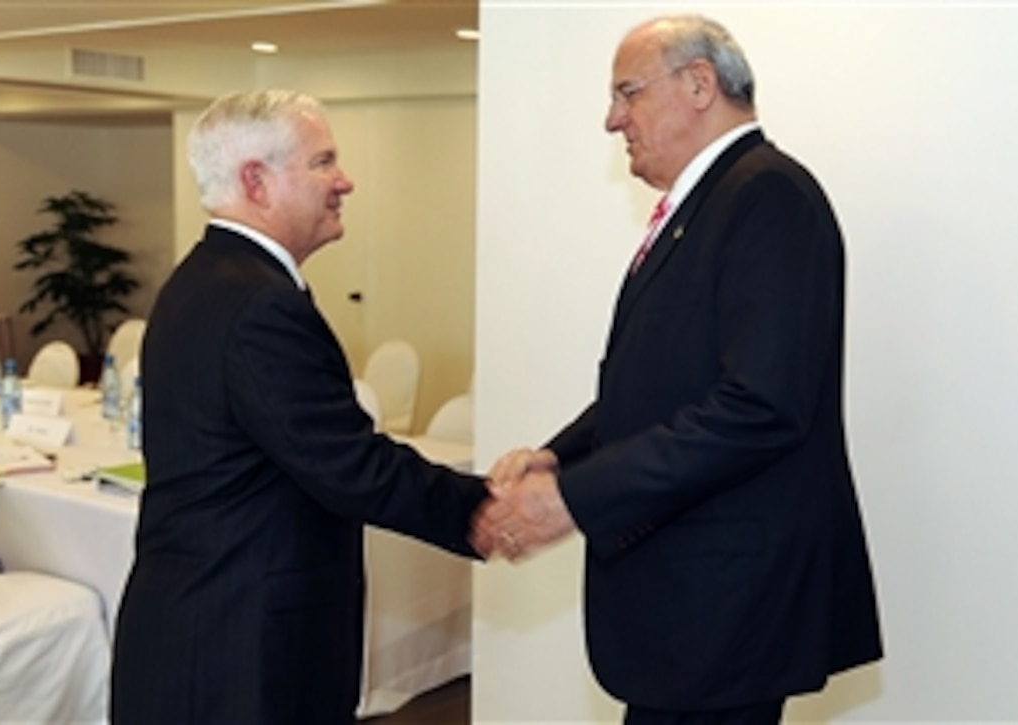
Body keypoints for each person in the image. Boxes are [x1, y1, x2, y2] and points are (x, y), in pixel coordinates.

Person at [472, 14, 882, 725]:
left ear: (699, 84)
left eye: (627, 92)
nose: (611, 119)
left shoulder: (767, 196)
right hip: (693, 604)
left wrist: (576, 496)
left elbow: (760, 404)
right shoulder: (710, 201)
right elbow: (667, 380)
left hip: (727, 604)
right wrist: (558, 454)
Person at [110, 90, 489, 724]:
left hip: (203, 631)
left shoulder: (205, 278)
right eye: (323, 163)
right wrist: (487, 508)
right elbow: (350, 466)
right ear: (256, 180)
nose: (345, 181)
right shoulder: (260, 304)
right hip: (241, 654)